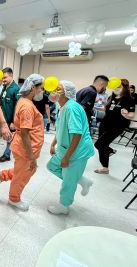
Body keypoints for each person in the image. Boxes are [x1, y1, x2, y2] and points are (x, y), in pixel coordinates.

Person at [0, 74, 45, 211]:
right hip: (26, 149)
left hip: (25, 147)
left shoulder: (24, 101)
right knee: (23, 174)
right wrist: (31, 156)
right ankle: (14, 199)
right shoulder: (27, 106)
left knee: (25, 171)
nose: (42, 91)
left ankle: (2, 175)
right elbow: (24, 133)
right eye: (41, 88)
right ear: (33, 87)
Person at [46, 81, 94, 215]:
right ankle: (82, 180)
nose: (54, 90)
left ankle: (64, 206)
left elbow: (77, 134)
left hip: (77, 151)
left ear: (67, 93)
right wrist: (53, 143)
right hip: (64, 147)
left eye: (58, 89)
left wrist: (67, 157)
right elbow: (61, 128)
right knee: (52, 166)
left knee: (68, 181)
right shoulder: (60, 105)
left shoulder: (71, 108)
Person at [94, 79, 135, 174]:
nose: (116, 89)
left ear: (124, 88)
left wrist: (126, 114)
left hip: (117, 126)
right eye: (115, 87)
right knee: (102, 145)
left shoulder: (129, 99)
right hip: (105, 124)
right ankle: (106, 163)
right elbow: (106, 110)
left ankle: (108, 159)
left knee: (99, 144)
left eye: (118, 87)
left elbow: (132, 114)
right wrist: (93, 106)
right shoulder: (111, 97)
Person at [0, 67, 21, 162]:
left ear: (11, 76)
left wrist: (14, 121)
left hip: (11, 120)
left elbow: (18, 106)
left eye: (5, 77)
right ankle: (8, 153)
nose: (3, 80)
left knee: (10, 137)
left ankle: (7, 155)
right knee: (8, 136)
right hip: (4, 118)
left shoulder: (16, 89)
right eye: (2, 78)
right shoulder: (5, 87)